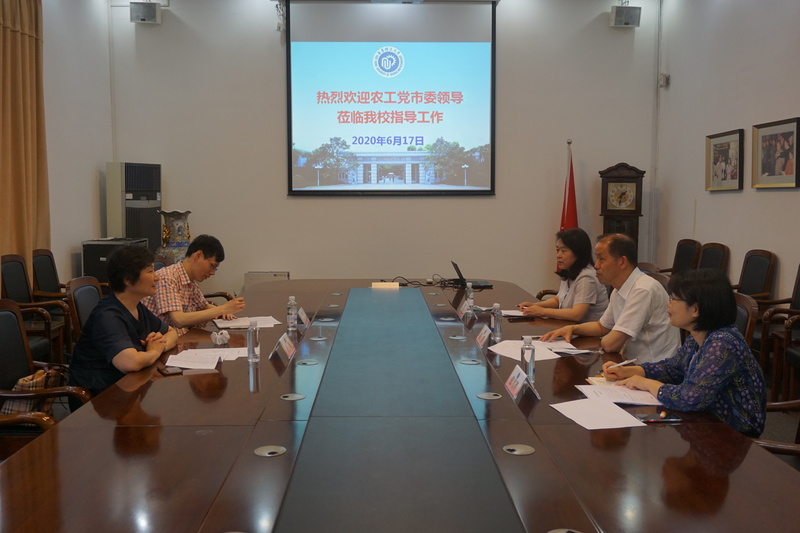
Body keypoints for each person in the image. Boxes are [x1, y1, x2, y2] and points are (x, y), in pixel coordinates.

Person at [602, 268, 767, 437]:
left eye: (673, 298)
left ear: (695, 309)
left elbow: (688, 398)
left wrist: (645, 383)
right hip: (703, 422)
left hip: (733, 435)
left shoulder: (723, 344)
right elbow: (673, 368)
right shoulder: (699, 335)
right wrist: (629, 371)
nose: (668, 303)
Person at [68, 246, 179, 409]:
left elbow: (172, 332)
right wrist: (154, 351)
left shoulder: (136, 306)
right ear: (128, 279)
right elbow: (130, 363)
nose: (156, 278)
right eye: (150, 271)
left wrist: (158, 345)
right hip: (99, 402)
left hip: (127, 388)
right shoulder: (108, 315)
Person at [540, 233, 680, 362]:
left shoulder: (643, 290)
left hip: (656, 370)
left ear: (622, 262)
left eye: (601, 259)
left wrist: (602, 340)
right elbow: (601, 326)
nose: (596, 265)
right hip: (633, 365)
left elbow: (611, 344)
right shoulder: (618, 289)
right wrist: (571, 329)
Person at [143, 234, 245, 335]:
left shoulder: (191, 282)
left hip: (183, 337)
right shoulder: (168, 278)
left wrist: (224, 312)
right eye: (212, 266)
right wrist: (222, 309)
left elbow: (204, 306)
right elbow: (179, 320)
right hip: (161, 340)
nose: (213, 272)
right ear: (198, 256)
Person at [517, 228, 608, 322]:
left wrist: (542, 311)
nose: (558, 255)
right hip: (570, 326)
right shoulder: (569, 271)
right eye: (557, 250)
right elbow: (558, 300)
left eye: (563, 251)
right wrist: (535, 306)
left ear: (578, 253)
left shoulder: (587, 277)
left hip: (588, 330)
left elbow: (577, 314)